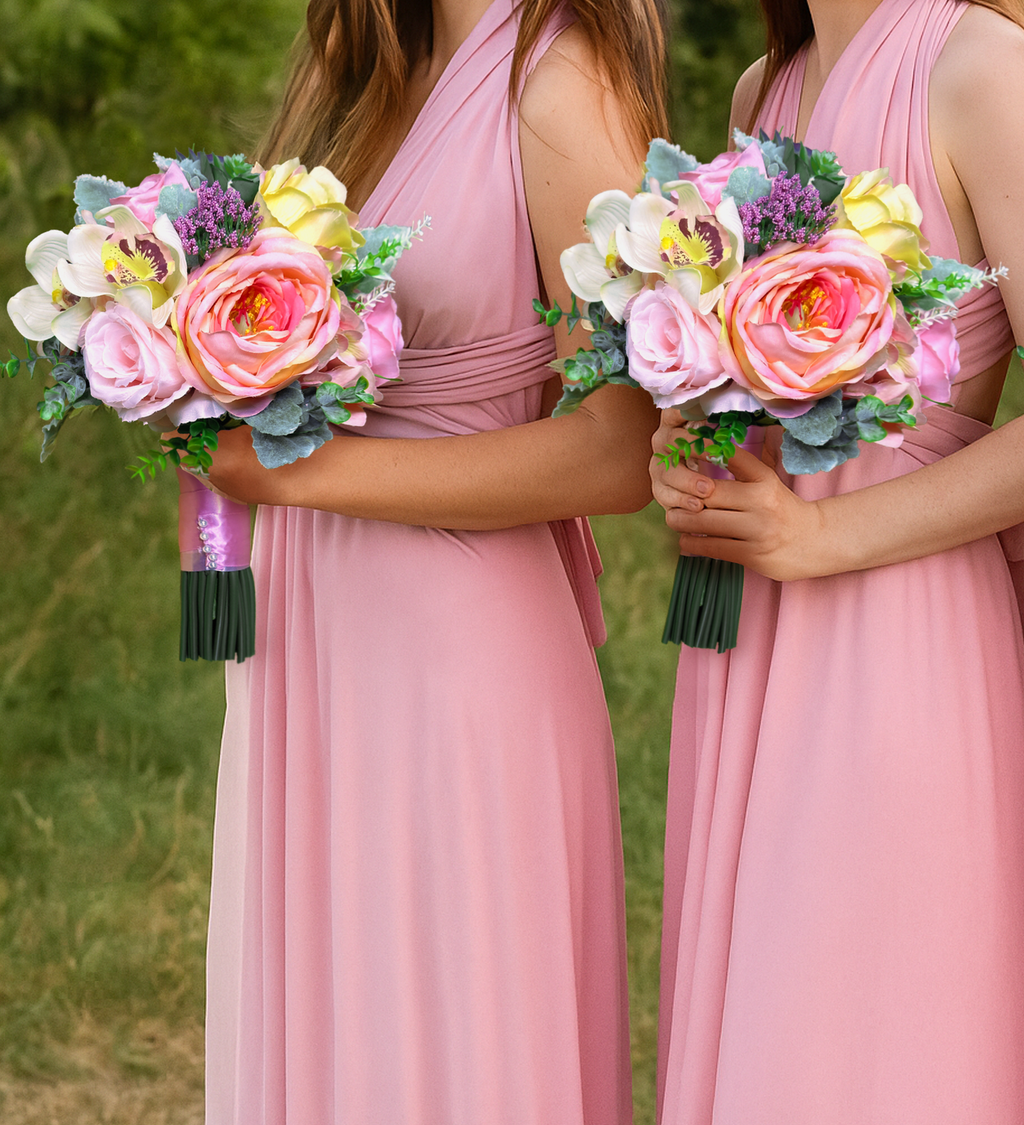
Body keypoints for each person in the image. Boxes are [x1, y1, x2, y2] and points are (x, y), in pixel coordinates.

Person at [646, 0, 1024, 1119]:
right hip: (751, 614)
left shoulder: (983, 70)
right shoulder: (766, 88)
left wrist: (826, 534)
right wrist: (699, 431)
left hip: (899, 622)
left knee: (868, 1029)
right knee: (764, 1018)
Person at [197, 0, 666, 1120]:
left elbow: (619, 449)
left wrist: (301, 476)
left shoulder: (556, 89)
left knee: (448, 1043)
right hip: (323, 631)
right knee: (335, 1021)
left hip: (453, 652)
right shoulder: (384, 71)